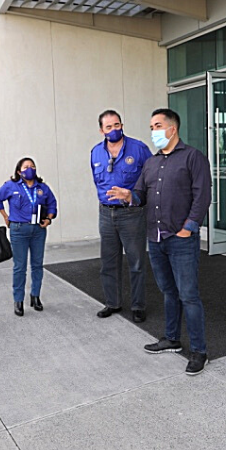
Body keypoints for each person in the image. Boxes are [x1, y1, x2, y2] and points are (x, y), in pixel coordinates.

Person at [107, 108, 212, 376]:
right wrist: (128, 195)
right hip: (155, 239)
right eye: (151, 127)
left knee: (188, 295)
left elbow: (202, 196)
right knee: (168, 292)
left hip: (181, 240)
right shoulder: (152, 163)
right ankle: (171, 339)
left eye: (157, 126)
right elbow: (141, 193)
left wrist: (188, 229)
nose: (153, 132)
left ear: (172, 129)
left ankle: (200, 351)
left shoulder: (193, 158)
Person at [90, 110, 153, 323]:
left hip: (131, 214)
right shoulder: (95, 152)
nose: (114, 129)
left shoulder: (139, 148)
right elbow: (97, 181)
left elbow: (151, 178)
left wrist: (134, 197)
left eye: (117, 125)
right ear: (101, 130)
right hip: (106, 213)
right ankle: (112, 303)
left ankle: (138, 305)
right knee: (108, 262)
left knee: (136, 262)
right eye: (109, 127)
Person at [0, 157, 57, 316]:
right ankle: (18, 300)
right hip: (18, 230)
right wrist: (5, 216)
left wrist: (48, 218)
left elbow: (52, 204)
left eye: (32, 166)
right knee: (20, 267)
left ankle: (35, 296)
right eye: (26, 167)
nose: (30, 169)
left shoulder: (42, 187)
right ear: (19, 171)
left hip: (38, 230)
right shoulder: (11, 186)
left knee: (37, 264)